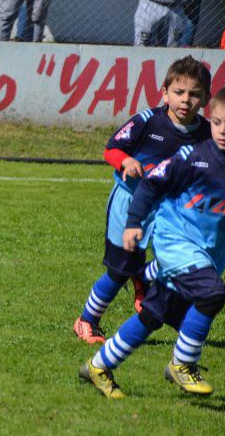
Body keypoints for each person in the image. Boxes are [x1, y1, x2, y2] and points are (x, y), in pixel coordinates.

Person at [79, 82, 225, 399]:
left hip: (207, 254)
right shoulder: (193, 157)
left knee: (154, 315)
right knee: (212, 294)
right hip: (176, 244)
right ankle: (182, 364)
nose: (222, 131)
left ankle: (98, 366)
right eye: (216, 122)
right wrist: (133, 224)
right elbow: (150, 185)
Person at [73, 56, 211, 344]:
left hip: (171, 208)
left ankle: (145, 281)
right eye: (179, 92)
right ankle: (88, 320)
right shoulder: (147, 122)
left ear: (206, 98)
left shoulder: (208, 133)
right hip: (130, 202)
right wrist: (126, 161)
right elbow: (111, 150)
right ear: (165, 92)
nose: (185, 100)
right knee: (119, 268)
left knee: (182, 260)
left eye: (194, 94)